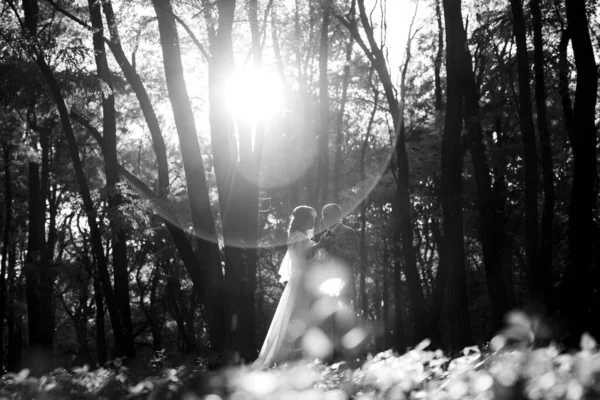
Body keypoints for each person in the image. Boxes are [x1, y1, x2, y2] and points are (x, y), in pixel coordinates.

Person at [253, 206, 317, 368]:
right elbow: (306, 255)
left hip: (307, 280)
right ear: (303, 220)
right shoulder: (297, 236)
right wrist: (322, 244)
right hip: (301, 281)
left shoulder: (301, 236)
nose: (314, 221)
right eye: (311, 218)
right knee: (297, 316)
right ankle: (292, 358)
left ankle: (305, 357)